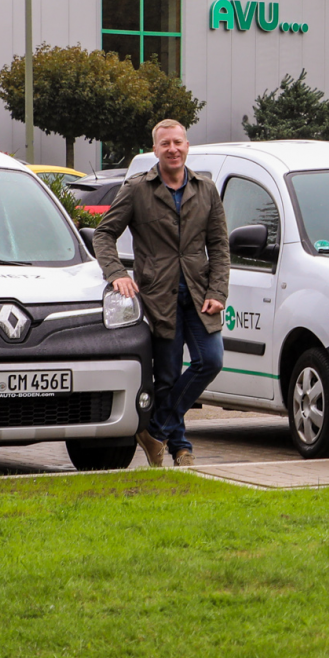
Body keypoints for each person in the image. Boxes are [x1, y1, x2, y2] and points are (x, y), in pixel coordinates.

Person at [94, 119, 229, 468]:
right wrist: (117, 274)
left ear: (187, 146)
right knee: (167, 377)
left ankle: (155, 432)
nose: (173, 149)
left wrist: (218, 290)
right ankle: (180, 448)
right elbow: (104, 234)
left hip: (201, 297)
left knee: (210, 360)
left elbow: (219, 245)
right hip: (159, 298)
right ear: (154, 149)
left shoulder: (206, 189)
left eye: (178, 142)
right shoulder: (138, 189)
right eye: (165, 143)